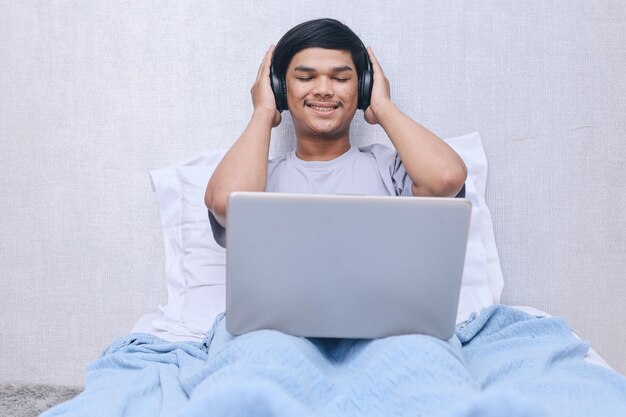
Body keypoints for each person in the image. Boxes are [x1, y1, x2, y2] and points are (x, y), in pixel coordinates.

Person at [204, 18, 467, 246]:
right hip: (287, 306)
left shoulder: (388, 170)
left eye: (340, 79)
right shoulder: (259, 180)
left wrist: (383, 106)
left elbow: (447, 177)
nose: (324, 90)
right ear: (279, 89)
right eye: (306, 78)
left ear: (363, 88)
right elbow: (227, 206)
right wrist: (262, 112)